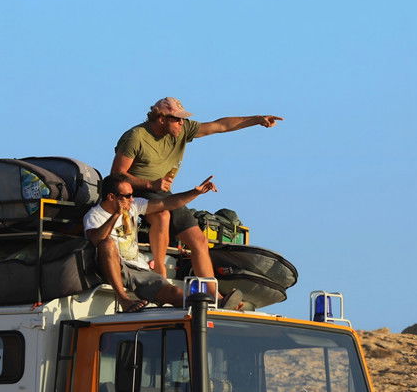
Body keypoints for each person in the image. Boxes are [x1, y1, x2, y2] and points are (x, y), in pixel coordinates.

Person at [111, 97, 283, 279]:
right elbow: (116, 174)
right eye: (177, 119)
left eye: (183, 119)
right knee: (162, 215)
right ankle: (159, 274)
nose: (182, 122)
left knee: (199, 240)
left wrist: (257, 119)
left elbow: (220, 126)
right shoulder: (136, 136)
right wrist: (149, 184)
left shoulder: (183, 129)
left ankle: (211, 290)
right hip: (134, 192)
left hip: (162, 193)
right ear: (161, 119)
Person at [84, 174, 243, 312]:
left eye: (132, 195)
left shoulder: (132, 206)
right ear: (111, 197)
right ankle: (123, 299)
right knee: (107, 243)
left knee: (175, 293)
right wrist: (116, 215)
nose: (131, 199)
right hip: (115, 266)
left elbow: (168, 203)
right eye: (127, 196)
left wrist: (196, 192)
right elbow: (96, 239)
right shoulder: (94, 216)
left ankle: (215, 305)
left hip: (138, 268)